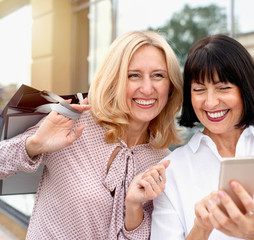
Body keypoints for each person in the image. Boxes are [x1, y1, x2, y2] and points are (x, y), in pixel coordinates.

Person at [0, 31, 183, 239]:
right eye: (134, 75)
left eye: (158, 75)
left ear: (170, 87)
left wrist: (134, 208)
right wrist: (33, 144)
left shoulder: (163, 161)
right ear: (114, 80)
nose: (148, 88)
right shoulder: (73, 124)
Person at [151, 34, 254, 239]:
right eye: (199, 89)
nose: (211, 102)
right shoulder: (171, 169)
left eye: (223, 88)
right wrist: (202, 228)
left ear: (245, 89)